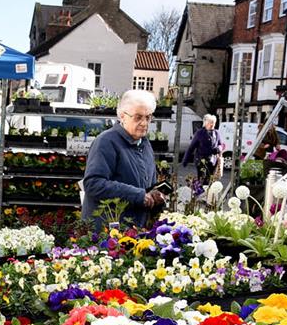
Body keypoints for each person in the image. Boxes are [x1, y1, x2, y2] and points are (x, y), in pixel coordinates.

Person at [82, 89, 163, 229]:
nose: (144, 123)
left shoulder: (144, 143)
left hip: (135, 230)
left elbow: (148, 184)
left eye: (148, 117)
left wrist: (157, 196)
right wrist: (138, 195)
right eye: (138, 117)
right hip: (107, 233)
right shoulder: (106, 142)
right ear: (122, 116)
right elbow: (93, 183)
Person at [182, 114, 222, 184]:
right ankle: (201, 192)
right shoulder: (200, 133)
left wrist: (218, 149)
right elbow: (191, 147)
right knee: (202, 179)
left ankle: (208, 193)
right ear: (206, 123)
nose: (212, 124)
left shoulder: (216, 133)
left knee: (210, 180)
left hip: (213, 161)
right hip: (201, 160)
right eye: (211, 122)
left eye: (214, 122)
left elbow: (220, 144)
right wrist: (185, 160)